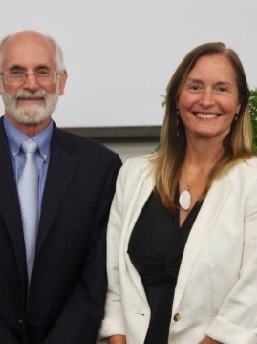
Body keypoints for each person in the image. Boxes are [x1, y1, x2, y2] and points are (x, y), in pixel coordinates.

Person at [98, 42, 257, 344]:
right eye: (195, 87)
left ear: (238, 104)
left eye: (222, 89)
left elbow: (252, 294)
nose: (207, 100)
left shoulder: (252, 180)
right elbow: (113, 282)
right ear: (176, 99)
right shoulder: (133, 175)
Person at [0, 30, 121, 344]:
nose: (31, 84)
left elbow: (95, 277)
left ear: (61, 81)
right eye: (17, 72)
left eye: (43, 72)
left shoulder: (100, 167)